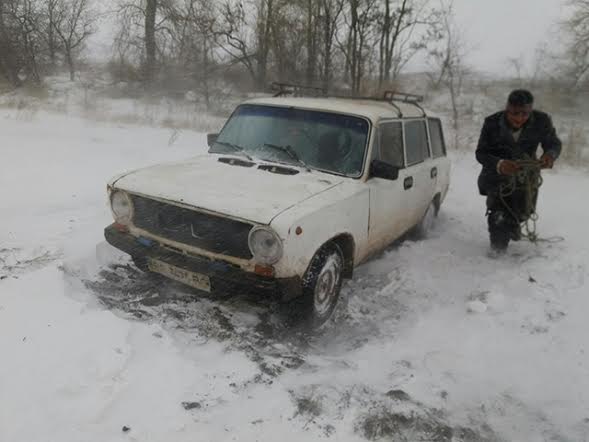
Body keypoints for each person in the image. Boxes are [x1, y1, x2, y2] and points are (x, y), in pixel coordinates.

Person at [475, 89, 562, 252]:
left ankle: (512, 226)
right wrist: (500, 164)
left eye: (524, 114)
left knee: (523, 212)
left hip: (525, 179)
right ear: (507, 108)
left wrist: (550, 155)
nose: (519, 118)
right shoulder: (492, 122)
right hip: (497, 177)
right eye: (514, 113)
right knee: (498, 215)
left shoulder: (542, 121)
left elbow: (553, 143)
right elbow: (481, 153)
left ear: (530, 111)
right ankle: (497, 250)